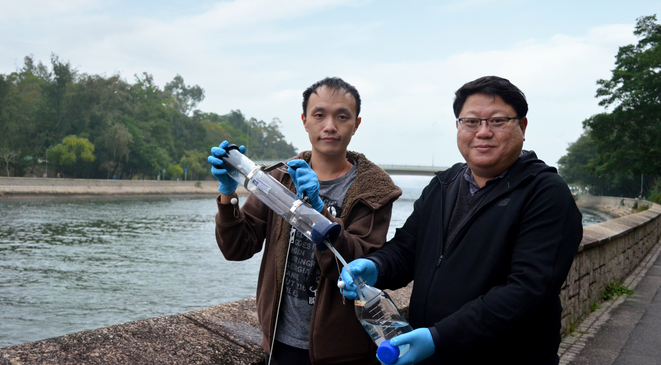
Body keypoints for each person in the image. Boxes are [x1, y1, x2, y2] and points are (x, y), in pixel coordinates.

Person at [340, 76, 583, 365]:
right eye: (471, 122)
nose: (483, 132)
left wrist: (439, 337)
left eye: (497, 121)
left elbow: (527, 291)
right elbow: (408, 249)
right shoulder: (443, 185)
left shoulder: (545, 194)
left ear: (523, 126)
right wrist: (376, 267)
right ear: (458, 126)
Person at [208, 77, 403, 365]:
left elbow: (358, 267)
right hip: (279, 341)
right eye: (319, 115)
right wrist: (227, 195)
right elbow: (238, 248)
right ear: (305, 121)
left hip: (343, 350)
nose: (330, 126)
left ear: (356, 124)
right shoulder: (279, 180)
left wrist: (318, 208)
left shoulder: (374, 192)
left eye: (342, 116)